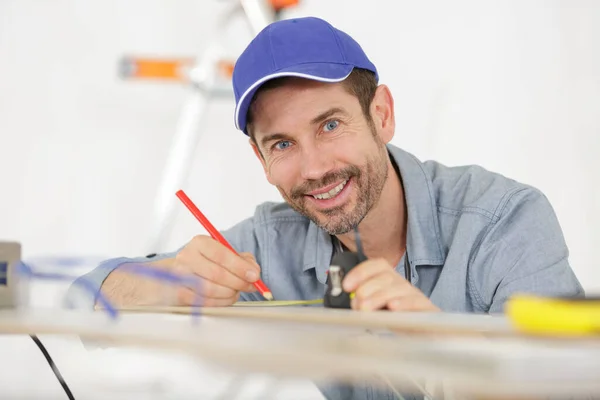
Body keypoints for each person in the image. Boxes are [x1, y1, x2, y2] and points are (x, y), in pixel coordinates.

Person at [70, 16, 583, 399]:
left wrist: (440, 347)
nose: (313, 169)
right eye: (282, 144)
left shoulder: (505, 223)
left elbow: (564, 387)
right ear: (261, 158)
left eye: (330, 125)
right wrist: (167, 283)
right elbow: (80, 302)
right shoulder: (269, 246)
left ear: (381, 115)